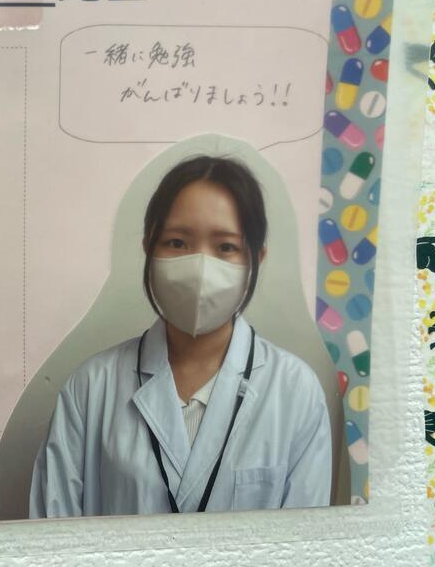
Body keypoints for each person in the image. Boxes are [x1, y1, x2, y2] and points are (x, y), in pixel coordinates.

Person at [29, 155, 332, 517]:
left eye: (225, 247)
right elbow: (51, 535)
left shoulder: (296, 391)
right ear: (149, 247)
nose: (200, 267)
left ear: (257, 258)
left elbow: (307, 540)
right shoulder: (90, 389)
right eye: (177, 242)